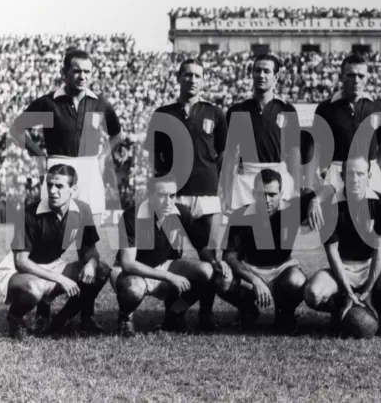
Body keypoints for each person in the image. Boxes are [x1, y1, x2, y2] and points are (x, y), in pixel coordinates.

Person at [9, 48, 123, 324]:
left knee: (87, 247)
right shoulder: (50, 104)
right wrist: (39, 154)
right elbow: (16, 129)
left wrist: (101, 159)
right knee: (48, 242)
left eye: (87, 71)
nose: (82, 76)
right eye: (76, 70)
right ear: (64, 73)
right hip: (59, 170)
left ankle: (85, 313)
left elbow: (117, 134)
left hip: (89, 172)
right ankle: (43, 306)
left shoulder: (99, 103)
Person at [144, 58, 228, 330]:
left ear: (204, 81)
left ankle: (206, 312)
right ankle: (174, 311)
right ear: (178, 78)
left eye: (197, 75)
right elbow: (154, 156)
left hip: (207, 195)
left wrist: (213, 180)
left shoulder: (215, 113)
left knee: (211, 254)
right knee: (175, 254)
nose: (192, 79)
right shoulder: (163, 114)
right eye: (187, 75)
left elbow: (224, 154)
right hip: (175, 195)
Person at [303, 155, 381, 333]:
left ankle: (374, 307)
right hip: (341, 267)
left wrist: (368, 290)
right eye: (350, 174)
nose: (355, 179)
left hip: (371, 266)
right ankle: (340, 308)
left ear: (369, 176)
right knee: (312, 293)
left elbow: (379, 251)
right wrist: (348, 291)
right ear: (341, 175)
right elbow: (333, 253)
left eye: (360, 174)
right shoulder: (329, 205)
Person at [0, 164, 111, 340]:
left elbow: (90, 249)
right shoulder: (29, 213)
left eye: (59, 186)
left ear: (73, 190)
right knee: (34, 288)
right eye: (49, 185)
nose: (52, 191)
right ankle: (15, 318)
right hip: (18, 269)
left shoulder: (83, 210)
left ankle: (61, 320)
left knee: (101, 271)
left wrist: (91, 263)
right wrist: (59, 278)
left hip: (52, 265)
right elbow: (21, 261)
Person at [216, 169, 334, 334]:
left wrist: (314, 201)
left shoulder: (291, 209)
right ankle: (248, 309)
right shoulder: (239, 215)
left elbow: (329, 189)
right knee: (223, 280)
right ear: (252, 193)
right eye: (261, 194)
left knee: (297, 281)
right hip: (250, 270)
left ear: (281, 193)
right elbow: (229, 256)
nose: (267, 200)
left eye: (272, 194)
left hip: (281, 270)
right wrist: (255, 281)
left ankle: (284, 313)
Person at [111, 176, 226, 337]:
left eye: (172, 195)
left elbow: (201, 245)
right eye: (162, 195)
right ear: (150, 195)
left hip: (164, 265)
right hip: (132, 272)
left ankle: (175, 314)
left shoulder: (181, 212)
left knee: (207, 270)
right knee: (133, 289)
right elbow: (127, 264)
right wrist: (169, 276)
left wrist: (215, 262)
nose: (168, 201)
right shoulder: (131, 216)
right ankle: (125, 317)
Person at [307, 53, 381, 199]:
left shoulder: (377, 107)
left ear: (367, 78)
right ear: (342, 76)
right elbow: (315, 149)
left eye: (361, 76)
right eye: (351, 75)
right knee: (337, 220)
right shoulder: (325, 108)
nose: (356, 80)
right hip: (336, 174)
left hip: (371, 174)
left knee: (370, 220)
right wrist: (310, 184)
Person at [222, 53, 301, 214]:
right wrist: (225, 190)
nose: (261, 75)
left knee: (276, 235)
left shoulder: (287, 109)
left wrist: (297, 190)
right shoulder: (238, 110)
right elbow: (229, 155)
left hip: (278, 179)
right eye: (257, 71)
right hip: (246, 180)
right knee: (245, 234)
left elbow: (294, 152)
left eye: (266, 71)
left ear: (276, 77)